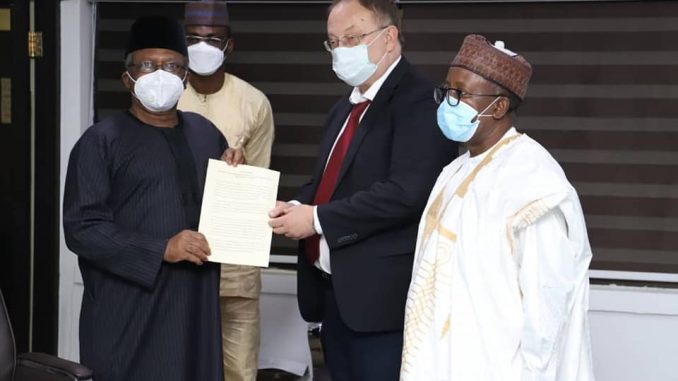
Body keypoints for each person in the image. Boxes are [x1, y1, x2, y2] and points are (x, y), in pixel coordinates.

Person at [268, 1, 458, 380]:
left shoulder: (420, 100)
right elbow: (327, 184)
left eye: (352, 38)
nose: (341, 51)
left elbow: (407, 193)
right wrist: (294, 206)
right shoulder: (344, 108)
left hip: (381, 305)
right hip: (333, 296)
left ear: (389, 38)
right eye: (333, 42)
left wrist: (316, 219)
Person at [400, 34, 595, 381]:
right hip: (439, 360)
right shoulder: (453, 171)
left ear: (499, 107)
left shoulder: (533, 183)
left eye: (461, 94)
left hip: (498, 366)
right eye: (447, 91)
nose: (449, 102)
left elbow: (547, 306)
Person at [63, 16, 229, 381]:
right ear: (128, 78)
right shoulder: (100, 141)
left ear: (185, 77)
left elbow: (223, 208)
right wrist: (160, 249)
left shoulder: (207, 134)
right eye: (148, 65)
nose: (161, 74)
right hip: (128, 313)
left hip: (195, 306)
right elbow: (81, 229)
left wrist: (236, 173)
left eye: (172, 66)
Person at [177, 2, 274, 381]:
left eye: (212, 39)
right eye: (193, 39)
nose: (202, 47)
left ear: (228, 46)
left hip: (235, 267)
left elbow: (260, 181)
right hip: (179, 264)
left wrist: (240, 169)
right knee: (178, 363)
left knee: (238, 371)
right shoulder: (165, 97)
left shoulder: (254, 103)